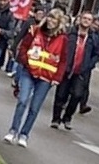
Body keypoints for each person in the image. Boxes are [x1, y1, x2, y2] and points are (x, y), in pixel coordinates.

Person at [4, 8, 68, 148]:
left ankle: (24, 134)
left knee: (34, 108)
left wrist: (57, 77)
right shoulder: (35, 31)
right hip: (29, 72)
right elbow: (24, 47)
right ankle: (13, 130)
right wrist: (25, 61)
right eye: (49, 17)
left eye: (54, 19)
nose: (50, 21)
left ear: (59, 23)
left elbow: (63, 60)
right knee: (22, 100)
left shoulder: (63, 39)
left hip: (46, 78)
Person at [50, 11, 99, 130]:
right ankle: (56, 119)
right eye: (84, 18)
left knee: (77, 95)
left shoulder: (93, 38)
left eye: (89, 19)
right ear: (79, 19)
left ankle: (67, 117)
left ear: (91, 22)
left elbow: (97, 53)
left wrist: (89, 65)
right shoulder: (70, 33)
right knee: (61, 95)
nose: (86, 21)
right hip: (67, 69)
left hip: (81, 72)